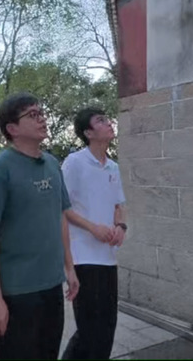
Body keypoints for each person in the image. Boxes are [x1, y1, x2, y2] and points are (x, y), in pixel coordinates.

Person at [0, 92, 80, 360]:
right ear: (12, 128)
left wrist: (69, 268)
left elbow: (60, 217)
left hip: (52, 287)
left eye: (42, 113)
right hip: (16, 292)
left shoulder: (52, 164)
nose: (42, 119)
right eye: (33, 115)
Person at [60, 107, 127, 360]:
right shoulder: (74, 162)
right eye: (101, 121)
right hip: (83, 257)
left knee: (107, 326)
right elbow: (62, 207)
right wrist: (92, 227)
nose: (109, 123)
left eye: (108, 119)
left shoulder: (112, 166)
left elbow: (118, 206)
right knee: (89, 330)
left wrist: (120, 227)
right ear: (88, 133)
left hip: (108, 257)